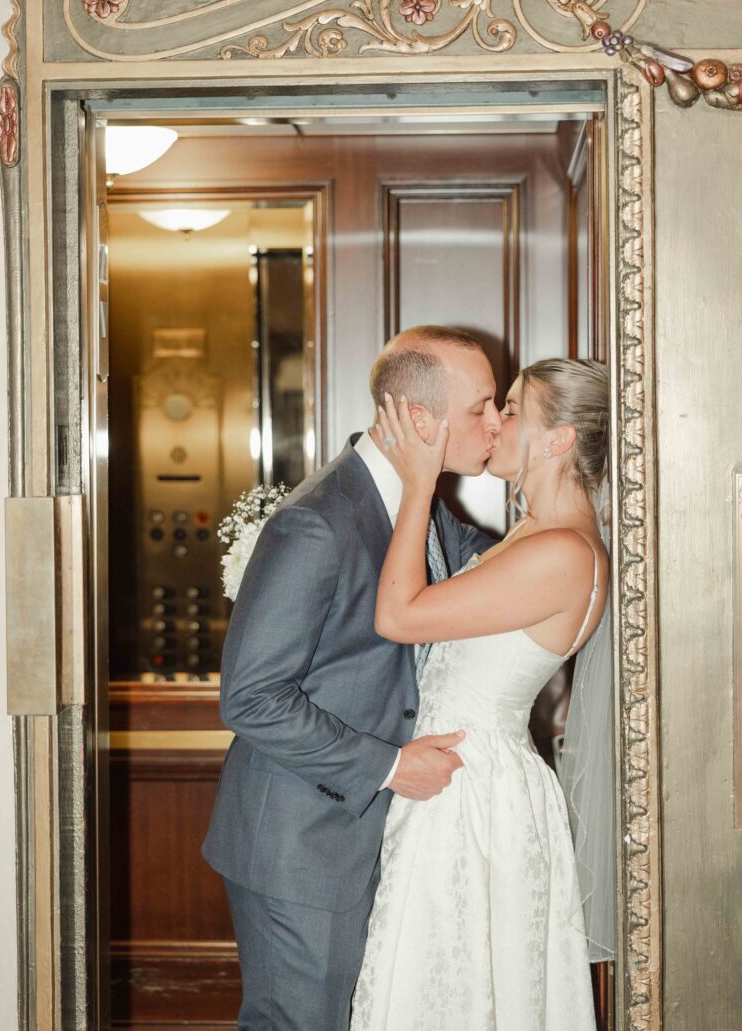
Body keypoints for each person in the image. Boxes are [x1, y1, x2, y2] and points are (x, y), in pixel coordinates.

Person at [202, 325, 502, 1031]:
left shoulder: (415, 499)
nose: (496, 422)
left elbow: (490, 566)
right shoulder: (317, 522)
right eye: (482, 408)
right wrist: (391, 766)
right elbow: (251, 696)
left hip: (365, 836)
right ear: (420, 420)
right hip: (302, 847)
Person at [351, 358, 610, 1031]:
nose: (494, 423)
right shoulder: (534, 533)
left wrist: (419, 483)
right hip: (467, 781)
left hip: (472, 795)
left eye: (514, 410)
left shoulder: (562, 552)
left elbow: (399, 616)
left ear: (559, 439)